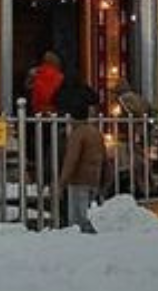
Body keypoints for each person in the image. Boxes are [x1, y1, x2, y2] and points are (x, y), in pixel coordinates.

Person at [58, 100, 106, 233]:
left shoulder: (77, 134)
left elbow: (71, 160)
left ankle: (82, 244)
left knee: (78, 220)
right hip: (94, 180)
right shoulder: (96, 133)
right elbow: (105, 158)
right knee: (89, 214)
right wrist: (104, 180)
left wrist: (62, 183)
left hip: (79, 180)